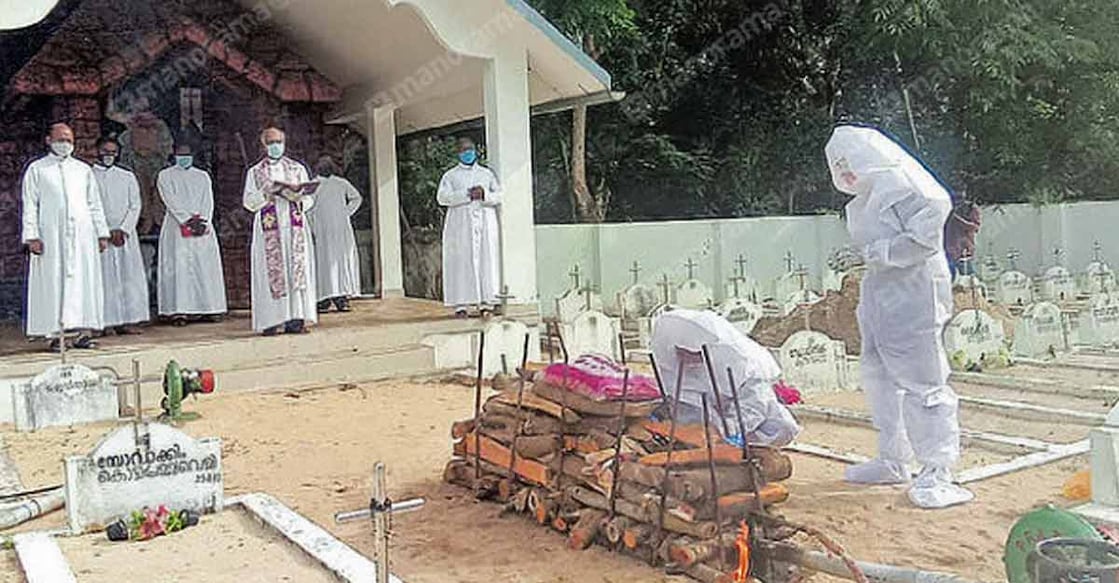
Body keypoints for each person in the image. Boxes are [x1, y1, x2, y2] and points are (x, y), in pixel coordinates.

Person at [825, 124, 973, 509]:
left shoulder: (911, 188)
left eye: (848, 163)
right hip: (880, 291)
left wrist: (874, 254)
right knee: (877, 373)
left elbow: (925, 236)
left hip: (915, 292)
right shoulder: (865, 198)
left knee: (924, 381)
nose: (844, 173)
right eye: (837, 165)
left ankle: (938, 471)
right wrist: (870, 260)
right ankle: (893, 458)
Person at [651, 309, 800, 447]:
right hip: (700, 426)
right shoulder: (673, 366)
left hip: (744, 420)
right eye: (681, 351)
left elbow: (754, 405)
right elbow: (683, 406)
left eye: (693, 352)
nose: (686, 356)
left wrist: (727, 428)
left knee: (782, 427)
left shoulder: (741, 362)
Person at [21, 122, 110, 351]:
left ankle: (82, 333)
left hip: (82, 237)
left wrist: (101, 233)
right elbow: (30, 204)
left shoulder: (83, 170)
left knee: (83, 281)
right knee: (53, 282)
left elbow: (94, 204)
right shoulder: (37, 170)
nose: (65, 144)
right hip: (51, 237)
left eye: (69, 140)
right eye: (60, 139)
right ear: (48, 140)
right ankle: (54, 336)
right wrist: (32, 235)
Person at [243, 126, 318, 336]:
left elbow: (309, 197)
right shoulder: (255, 172)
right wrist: (266, 195)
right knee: (271, 272)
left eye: (279, 142)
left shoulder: (297, 168)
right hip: (269, 228)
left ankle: (296, 319)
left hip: (294, 227)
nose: (276, 146)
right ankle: (271, 320)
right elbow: (248, 201)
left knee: (296, 272)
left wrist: (300, 199)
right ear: (264, 145)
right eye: (272, 142)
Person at [156, 143, 228, 326]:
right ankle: (179, 311)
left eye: (187, 154)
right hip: (176, 227)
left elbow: (208, 200)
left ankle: (209, 308)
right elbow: (169, 200)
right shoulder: (165, 175)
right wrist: (186, 220)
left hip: (202, 227)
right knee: (178, 269)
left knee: (204, 267)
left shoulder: (202, 176)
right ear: (174, 155)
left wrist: (203, 220)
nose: (184, 157)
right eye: (180, 154)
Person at [437, 137, 502, 318]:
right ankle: (461, 305)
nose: (468, 153)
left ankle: (487, 303)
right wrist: (466, 194)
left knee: (486, 260)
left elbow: (499, 195)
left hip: (485, 223)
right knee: (461, 262)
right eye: (464, 149)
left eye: (471, 149)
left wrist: (484, 194)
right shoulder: (450, 176)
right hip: (460, 226)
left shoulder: (487, 174)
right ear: (458, 152)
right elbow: (442, 197)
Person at [93, 136, 149, 334]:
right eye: (105, 151)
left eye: (113, 152)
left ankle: (128, 320)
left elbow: (135, 205)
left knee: (128, 278)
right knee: (104, 279)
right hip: (101, 236)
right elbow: (90, 207)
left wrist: (123, 229)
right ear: (97, 151)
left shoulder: (126, 176)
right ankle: (105, 322)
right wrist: (105, 231)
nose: (109, 155)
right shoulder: (89, 176)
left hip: (125, 236)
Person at [308, 155, 362, 313]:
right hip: (322, 230)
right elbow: (307, 207)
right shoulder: (313, 185)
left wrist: (345, 213)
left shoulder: (341, 183)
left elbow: (356, 198)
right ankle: (322, 299)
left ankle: (341, 297)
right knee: (323, 263)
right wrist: (312, 226)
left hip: (341, 230)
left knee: (341, 262)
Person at [944, 190, 981, 278]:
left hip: (963, 251)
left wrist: (957, 219)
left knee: (967, 280)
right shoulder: (945, 208)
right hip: (948, 251)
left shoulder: (971, 208)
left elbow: (975, 227)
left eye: (960, 198)